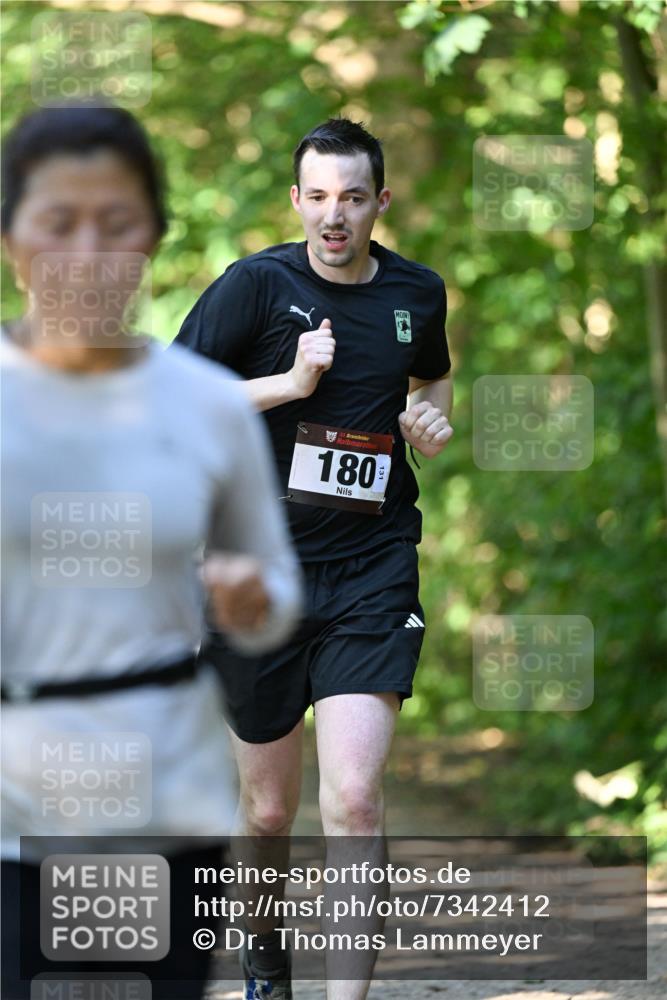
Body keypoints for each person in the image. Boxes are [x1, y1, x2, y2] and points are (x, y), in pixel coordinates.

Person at [0, 102, 302, 1000]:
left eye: (116, 223)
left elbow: (278, 587)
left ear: (154, 238)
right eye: (58, 223)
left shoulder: (208, 403)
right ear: (11, 237)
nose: (87, 253)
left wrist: (253, 602)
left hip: (162, 790)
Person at [176, 116, 453, 1000]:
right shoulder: (256, 287)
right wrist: (290, 387)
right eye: (319, 197)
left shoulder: (417, 292)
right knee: (266, 812)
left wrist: (430, 418)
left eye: (353, 198)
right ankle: (264, 955)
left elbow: (431, 374)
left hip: (372, 567)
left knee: (355, 801)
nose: (335, 216)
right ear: (297, 200)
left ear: (380, 202)